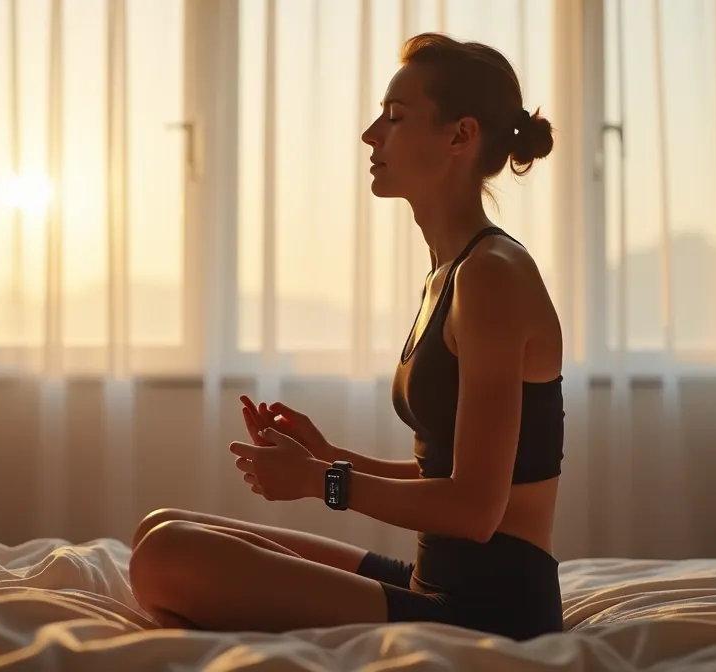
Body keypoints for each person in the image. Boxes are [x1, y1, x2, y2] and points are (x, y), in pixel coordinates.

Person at [129, 32, 565, 641]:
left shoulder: (492, 276)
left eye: (395, 117)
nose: (370, 135)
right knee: (160, 528)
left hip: (490, 611)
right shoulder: (454, 271)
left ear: (460, 136)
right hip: (433, 580)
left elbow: (474, 510)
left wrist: (319, 483)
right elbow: (456, 470)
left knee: (165, 557)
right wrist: (328, 458)